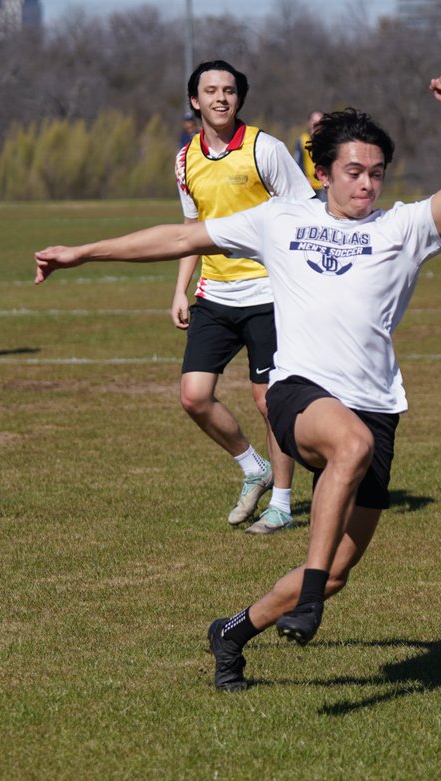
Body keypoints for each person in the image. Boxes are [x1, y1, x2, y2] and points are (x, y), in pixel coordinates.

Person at [35, 73, 441, 693]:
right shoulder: (279, 219)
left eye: (376, 171)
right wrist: (82, 252)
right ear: (324, 172)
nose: (366, 182)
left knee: (336, 570)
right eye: (354, 170)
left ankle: (232, 631)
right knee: (347, 449)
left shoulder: (402, 229)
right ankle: (309, 600)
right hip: (298, 393)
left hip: (376, 405)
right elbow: (179, 236)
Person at [172, 60, 315, 535]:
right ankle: (254, 467)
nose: (220, 98)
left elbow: (304, 212)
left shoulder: (265, 149)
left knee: (270, 401)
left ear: (239, 98)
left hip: (268, 293)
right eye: (210, 90)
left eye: (229, 90)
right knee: (194, 397)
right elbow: (192, 230)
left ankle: (282, 503)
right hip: (214, 294)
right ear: (195, 100)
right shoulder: (184, 158)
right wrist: (180, 289)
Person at [295, 111, 326, 201]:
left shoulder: (328, 140)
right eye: (314, 120)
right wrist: (303, 177)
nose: (316, 123)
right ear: (309, 122)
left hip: (324, 185)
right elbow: (297, 162)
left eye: (319, 121)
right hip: (307, 185)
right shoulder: (302, 139)